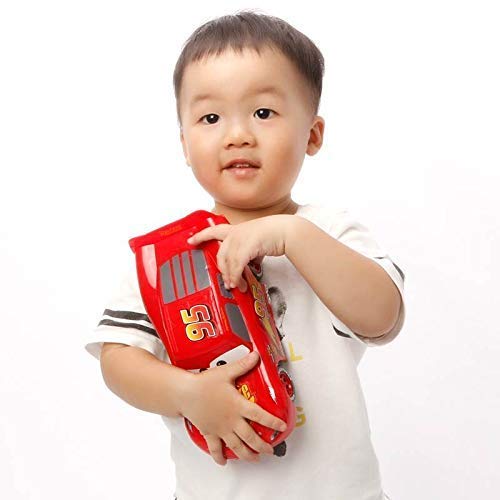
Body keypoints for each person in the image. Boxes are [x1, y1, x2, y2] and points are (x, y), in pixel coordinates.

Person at [85, 10, 405, 500]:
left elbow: (383, 317)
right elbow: (118, 360)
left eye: (263, 113)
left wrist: (292, 236)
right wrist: (187, 394)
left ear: (312, 135)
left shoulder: (327, 233)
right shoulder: (167, 257)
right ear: (185, 144)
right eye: (211, 118)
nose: (237, 135)